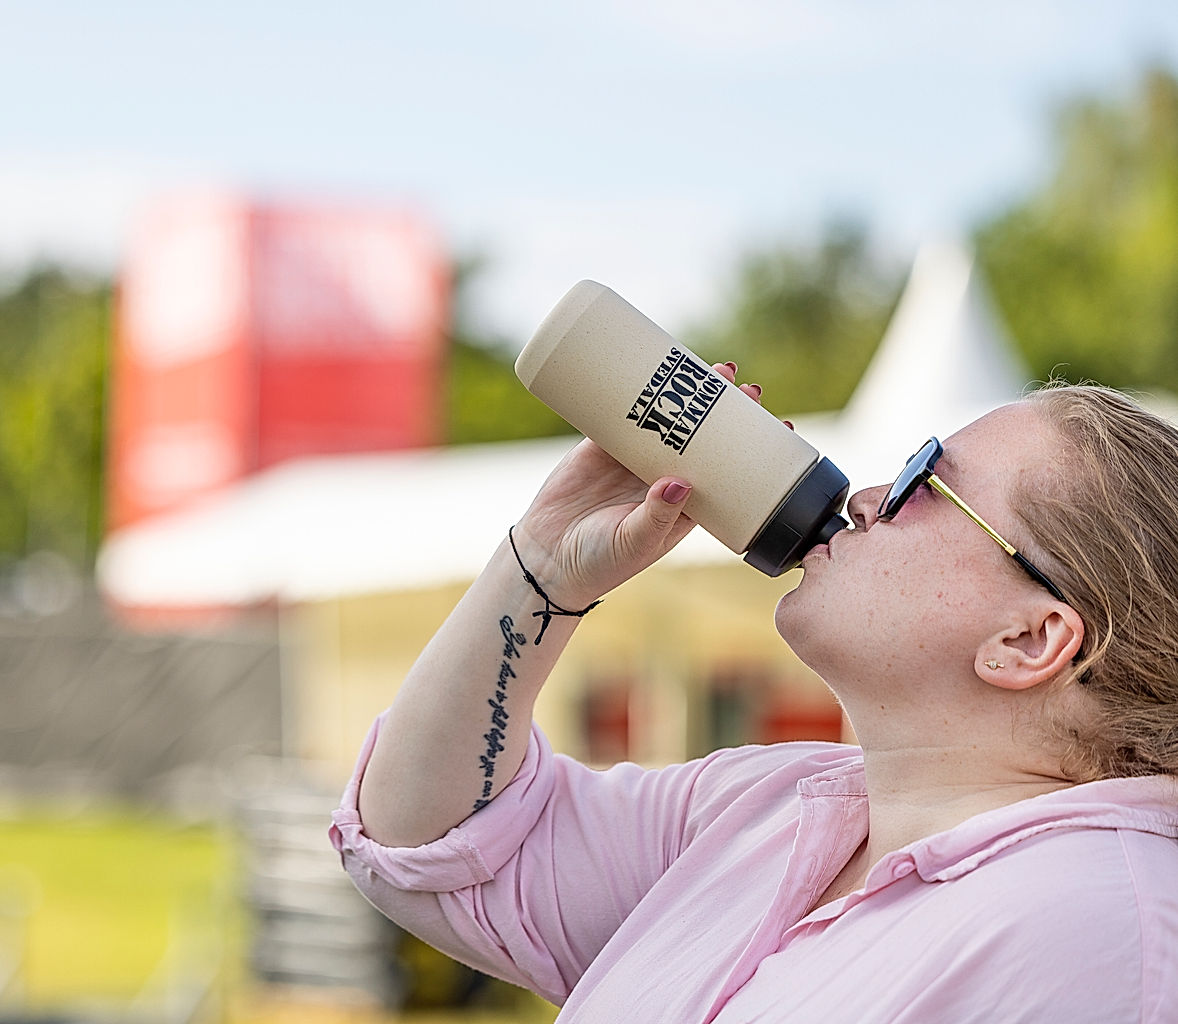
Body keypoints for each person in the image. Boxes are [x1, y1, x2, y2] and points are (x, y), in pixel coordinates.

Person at [330, 368, 1178, 1022]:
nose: (869, 496)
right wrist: (541, 572)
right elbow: (432, 843)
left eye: (926, 479)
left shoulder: (1099, 931)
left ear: (1027, 641)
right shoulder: (765, 807)